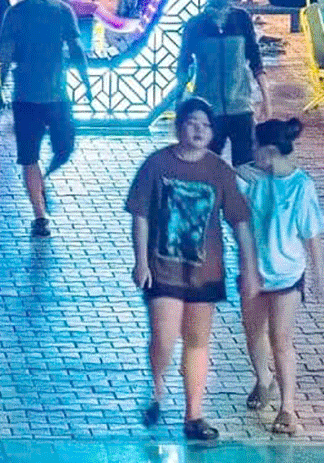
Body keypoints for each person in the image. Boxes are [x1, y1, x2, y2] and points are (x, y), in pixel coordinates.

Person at [126, 97, 259, 442]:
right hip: (163, 269)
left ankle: (194, 414)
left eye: (206, 125)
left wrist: (249, 267)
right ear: (179, 127)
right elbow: (140, 214)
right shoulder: (157, 165)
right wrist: (140, 260)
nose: (199, 131)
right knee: (165, 338)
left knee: (198, 341)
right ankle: (157, 388)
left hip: (205, 273)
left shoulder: (218, 171)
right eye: (192, 123)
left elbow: (239, 221)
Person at [237, 116, 324, 434]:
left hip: (287, 274)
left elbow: (310, 233)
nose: (252, 154)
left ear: (270, 150)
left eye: (256, 149)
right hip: (253, 271)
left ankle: (288, 407)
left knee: (281, 340)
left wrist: (317, 274)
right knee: (253, 333)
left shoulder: (302, 185)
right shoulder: (250, 179)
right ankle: (264, 379)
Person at [0, 0, 83, 236]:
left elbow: (75, 48)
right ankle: (39, 215)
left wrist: (85, 79)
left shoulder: (61, 12)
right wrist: (1, 84)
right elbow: (6, 52)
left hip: (57, 93)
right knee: (29, 155)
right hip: (26, 96)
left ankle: (43, 181)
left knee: (65, 146)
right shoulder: (16, 13)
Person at [176, 0, 268, 164]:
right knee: (207, 165)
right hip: (208, 111)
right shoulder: (195, 25)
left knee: (245, 167)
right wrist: (181, 103)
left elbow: (255, 59)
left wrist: (267, 99)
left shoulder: (242, 19)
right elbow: (184, 65)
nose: (220, 6)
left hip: (240, 107)